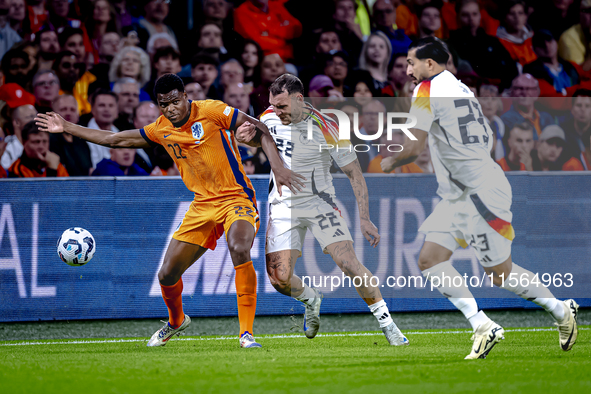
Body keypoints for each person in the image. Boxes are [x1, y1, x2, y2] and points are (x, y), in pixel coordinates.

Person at [35, 73, 302, 348]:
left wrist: (278, 167)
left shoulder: (210, 110)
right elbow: (115, 139)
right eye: (164, 104)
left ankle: (246, 334)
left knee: (239, 246)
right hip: (202, 205)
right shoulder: (160, 129)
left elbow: (260, 128)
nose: (171, 109)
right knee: (166, 275)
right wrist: (67, 126)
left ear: (186, 96)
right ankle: (176, 321)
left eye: (175, 101)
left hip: (236, 198)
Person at [380, 37, 578, 359]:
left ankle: (560, 311)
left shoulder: (427, 90)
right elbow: (484, 140)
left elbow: (414, 147)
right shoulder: (462, 90)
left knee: (500, 273)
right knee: (430, 259)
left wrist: (390, 161)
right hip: (463, 192)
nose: (407, 69)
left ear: (430, 64)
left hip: (480, 195)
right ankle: (482, 326)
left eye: (411, 62)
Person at [235, 73, 409, 346]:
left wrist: (365, 218)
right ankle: (311, 298)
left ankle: (389, 326)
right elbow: (265, 139)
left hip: (321, 205)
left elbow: (354, 173)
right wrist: (245, 137)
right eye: (272, 105)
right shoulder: (269, 117)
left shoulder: (328, 126)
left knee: (349, 263)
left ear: (299, 99)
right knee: (279, 280)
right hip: (282, 205)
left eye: (281, 106)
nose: (275, 111)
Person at [50, 94, 92, 176]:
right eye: (63, 109)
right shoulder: (48, 140)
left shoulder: (82, 140)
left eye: (72, 110)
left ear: (77, 116)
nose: (68, 113)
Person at [0, 103, 36, 169]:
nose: (35, 120)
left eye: (36, 116)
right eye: (30, 117)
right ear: (16, 122)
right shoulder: (6, 147)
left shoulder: (43, 144)